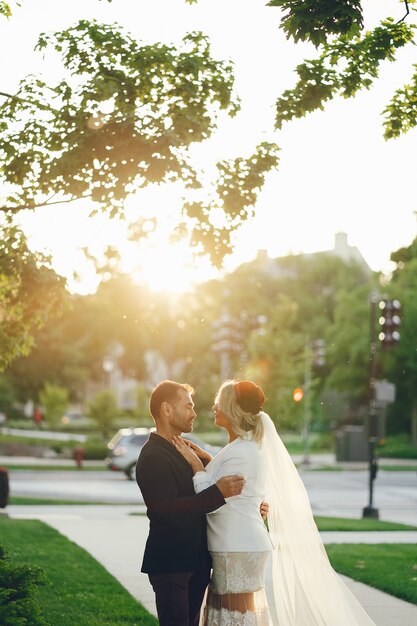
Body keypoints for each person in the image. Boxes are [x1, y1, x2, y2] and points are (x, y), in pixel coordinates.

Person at [174, 379, 376, 626]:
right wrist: (208, 461)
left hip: (235, 547)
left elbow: (214, 503)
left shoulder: (241, 451)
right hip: (239, 545)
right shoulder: (243, 447)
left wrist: (197, 466)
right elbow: (233, 493)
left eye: (219, 403)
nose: (214, 407)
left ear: (232, 408)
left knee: (233, 617)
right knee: (236, 614)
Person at [135, 380, 246, 626]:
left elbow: (208, 488)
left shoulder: (184, 449)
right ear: (166, 409)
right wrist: (218, 493)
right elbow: (167, 510)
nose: (194, 412)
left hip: (196, 563)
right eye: (188, 406)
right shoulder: (153, 456)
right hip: (171, 565)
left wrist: (251, 506)